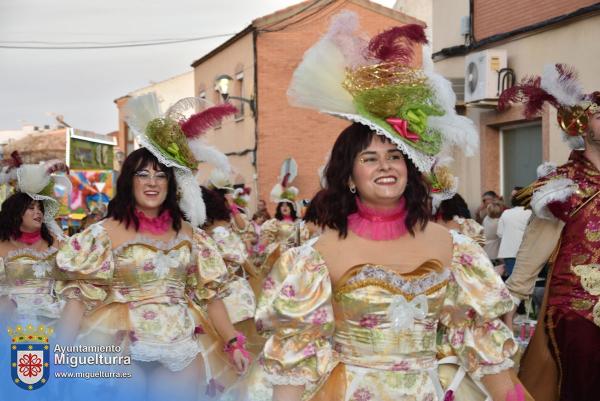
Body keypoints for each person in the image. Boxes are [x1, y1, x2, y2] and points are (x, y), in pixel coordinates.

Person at [244, 11, 526, 401]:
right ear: (349, 175)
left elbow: (478, 338)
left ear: (409, 169)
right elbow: (299, 351)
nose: (385, 167)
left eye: (395, 156)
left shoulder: (453, 248)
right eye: (369, 159)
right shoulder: (315, 256)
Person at [55, 94, 249, 401]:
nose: (152, 182)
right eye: (142, 174)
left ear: (171, 184)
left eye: (161, 175)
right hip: (118, 346)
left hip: (179, 345)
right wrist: (58, 356)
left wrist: (233, 342)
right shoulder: (104, 234)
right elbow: (77, 300)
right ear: (129, 182)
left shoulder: (191, 235)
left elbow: (211, 296)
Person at [499, 65, 600, 401]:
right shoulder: (562, 186)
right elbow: (533, 250)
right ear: (581, 126)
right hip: (578, 315)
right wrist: (511, 304)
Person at [0, 161, 69, 325]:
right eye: (31, 208)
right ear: (16, 213)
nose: (37, 212)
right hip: (9, 321)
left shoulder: (58, 243)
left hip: (51, 320)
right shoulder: (1, 244)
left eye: (40, 208)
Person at [496, 187, 531, 278]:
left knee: (512, 280)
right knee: (525, 280)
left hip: (509, 252)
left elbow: (500, 233)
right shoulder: (531, 213)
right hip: (526, 251)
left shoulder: (506, 213)